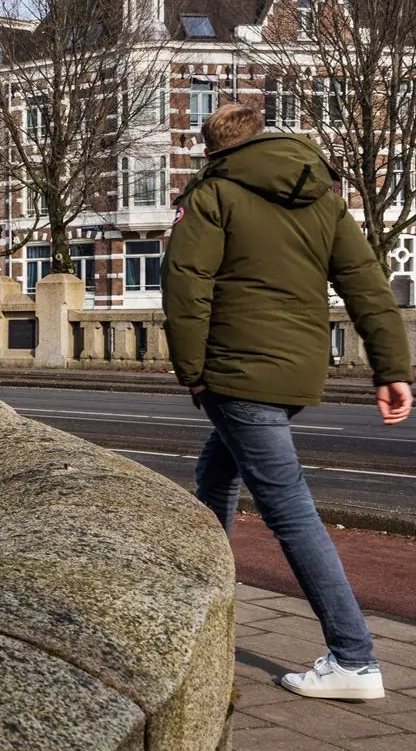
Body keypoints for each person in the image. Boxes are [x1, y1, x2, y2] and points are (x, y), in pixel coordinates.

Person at [167, 102, 412, 702]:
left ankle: (354, 658)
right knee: (217, 472)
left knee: (289, 510)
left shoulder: (213, 193)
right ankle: (199, 612)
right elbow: (365, 282)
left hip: (237, 370)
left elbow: (185, 284)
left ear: (213, 149)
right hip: (298, 368)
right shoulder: (319, 193)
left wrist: (193, 371)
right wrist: (392, 368)